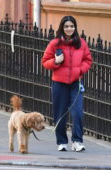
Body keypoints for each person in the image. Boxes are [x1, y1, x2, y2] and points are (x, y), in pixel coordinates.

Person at [42, 16, 92, 152]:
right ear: (62, 28)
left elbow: (88, 60)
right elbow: (45, 61)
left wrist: (80, 70)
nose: (69, 29)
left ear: (75, 28)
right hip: (59, 84)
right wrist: (56, 61)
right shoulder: (55, 43)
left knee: (77, 113)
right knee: (60, 113)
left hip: (76, 84)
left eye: (72, 26)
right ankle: (62, 142)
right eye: (66, 26)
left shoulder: (81, 43)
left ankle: (77, 141)